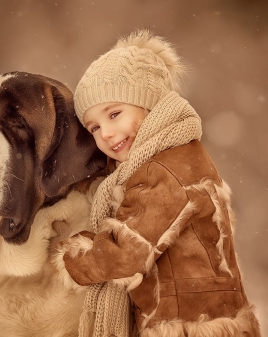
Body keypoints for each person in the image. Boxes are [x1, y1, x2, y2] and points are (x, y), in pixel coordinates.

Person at [58, 30, 261, 337]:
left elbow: (128, 252)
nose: (107, 134)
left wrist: (72, 256)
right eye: (94, 127)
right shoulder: (182, 155)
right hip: (210, 316)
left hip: (188, 325)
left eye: (115, 114)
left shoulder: (162, 168)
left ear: (150, 107)